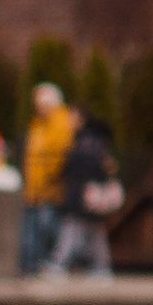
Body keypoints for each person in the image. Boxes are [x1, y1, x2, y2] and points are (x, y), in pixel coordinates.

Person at [47, 107, 123, 275]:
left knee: (73, 228)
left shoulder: (85, 140)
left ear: (81, 119)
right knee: (94, 233)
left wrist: (64, 172)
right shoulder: (91, 139)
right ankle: (101, 267)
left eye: (72, 118)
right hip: (86, 193)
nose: (68, 122)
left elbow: (80, 166)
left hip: (84, 193)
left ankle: (59, 263)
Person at [20, 80, 76, 275]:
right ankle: (30, 266)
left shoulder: (60, 122)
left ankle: (50, 263)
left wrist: (50, 178)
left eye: (40, 104)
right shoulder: (38, 123)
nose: (37, 107)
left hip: (49, 188)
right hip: (33, 187)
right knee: (32, 230)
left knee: (48, 228)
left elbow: (59, 153)